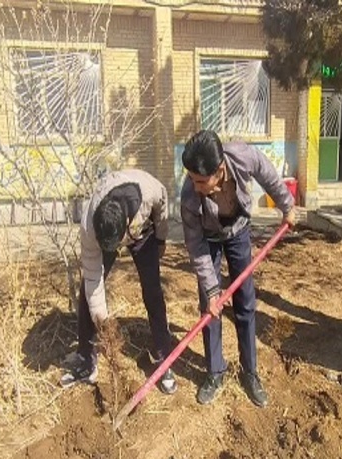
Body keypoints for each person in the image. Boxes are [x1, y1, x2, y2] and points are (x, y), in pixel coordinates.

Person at [180, 130, 295, 407]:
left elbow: (267, 173)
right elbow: (195, 246)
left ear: (219, 171)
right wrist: (211, 289)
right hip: (208, 240)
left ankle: (250, 372)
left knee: (245, 303)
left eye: (200, 181)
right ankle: (215, 371)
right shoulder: (189, 195)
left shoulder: (242, 157)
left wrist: (287, 205)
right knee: (211, 308)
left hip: (239, 231)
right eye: (192, 179)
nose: (195, 186)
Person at [59, 169, 176, 395]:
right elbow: (94, 278)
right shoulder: (90, 227)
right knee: (87, 291)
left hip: (142, 232)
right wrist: (103, 324)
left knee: (153, 291)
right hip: (113, 233)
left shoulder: (149, 190)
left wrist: (161, 238)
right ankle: (86, 359)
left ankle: (162, 358)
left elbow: (162, 205)